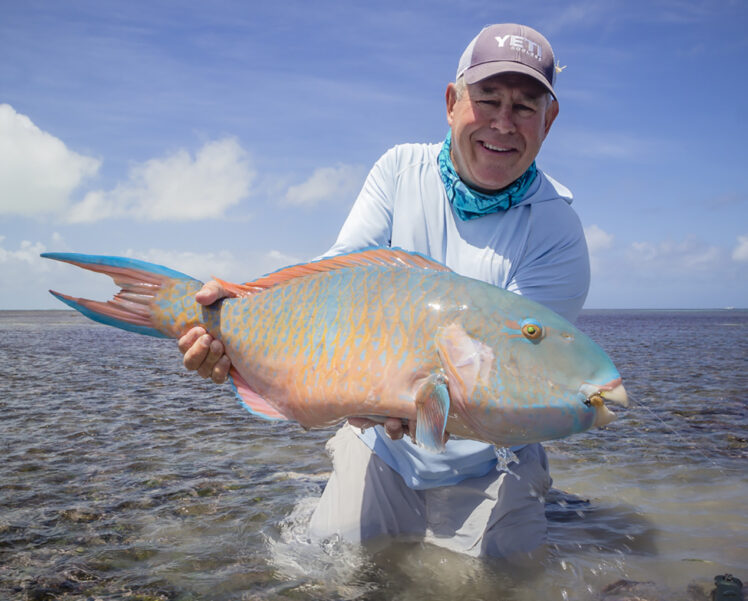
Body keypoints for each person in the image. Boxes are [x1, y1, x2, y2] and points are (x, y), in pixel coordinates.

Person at [178, 23, 590, 560]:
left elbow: (514, 387)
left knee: (500, 585)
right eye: (487, 100)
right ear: (451, 101)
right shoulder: (398, 170)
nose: (502, 124)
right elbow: (332, 285)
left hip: (494, 460)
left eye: (525, 107)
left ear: (549, 120)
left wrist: (403, 399)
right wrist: (233, 321)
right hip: (380, 446)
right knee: (320, 572)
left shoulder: (557, 228)